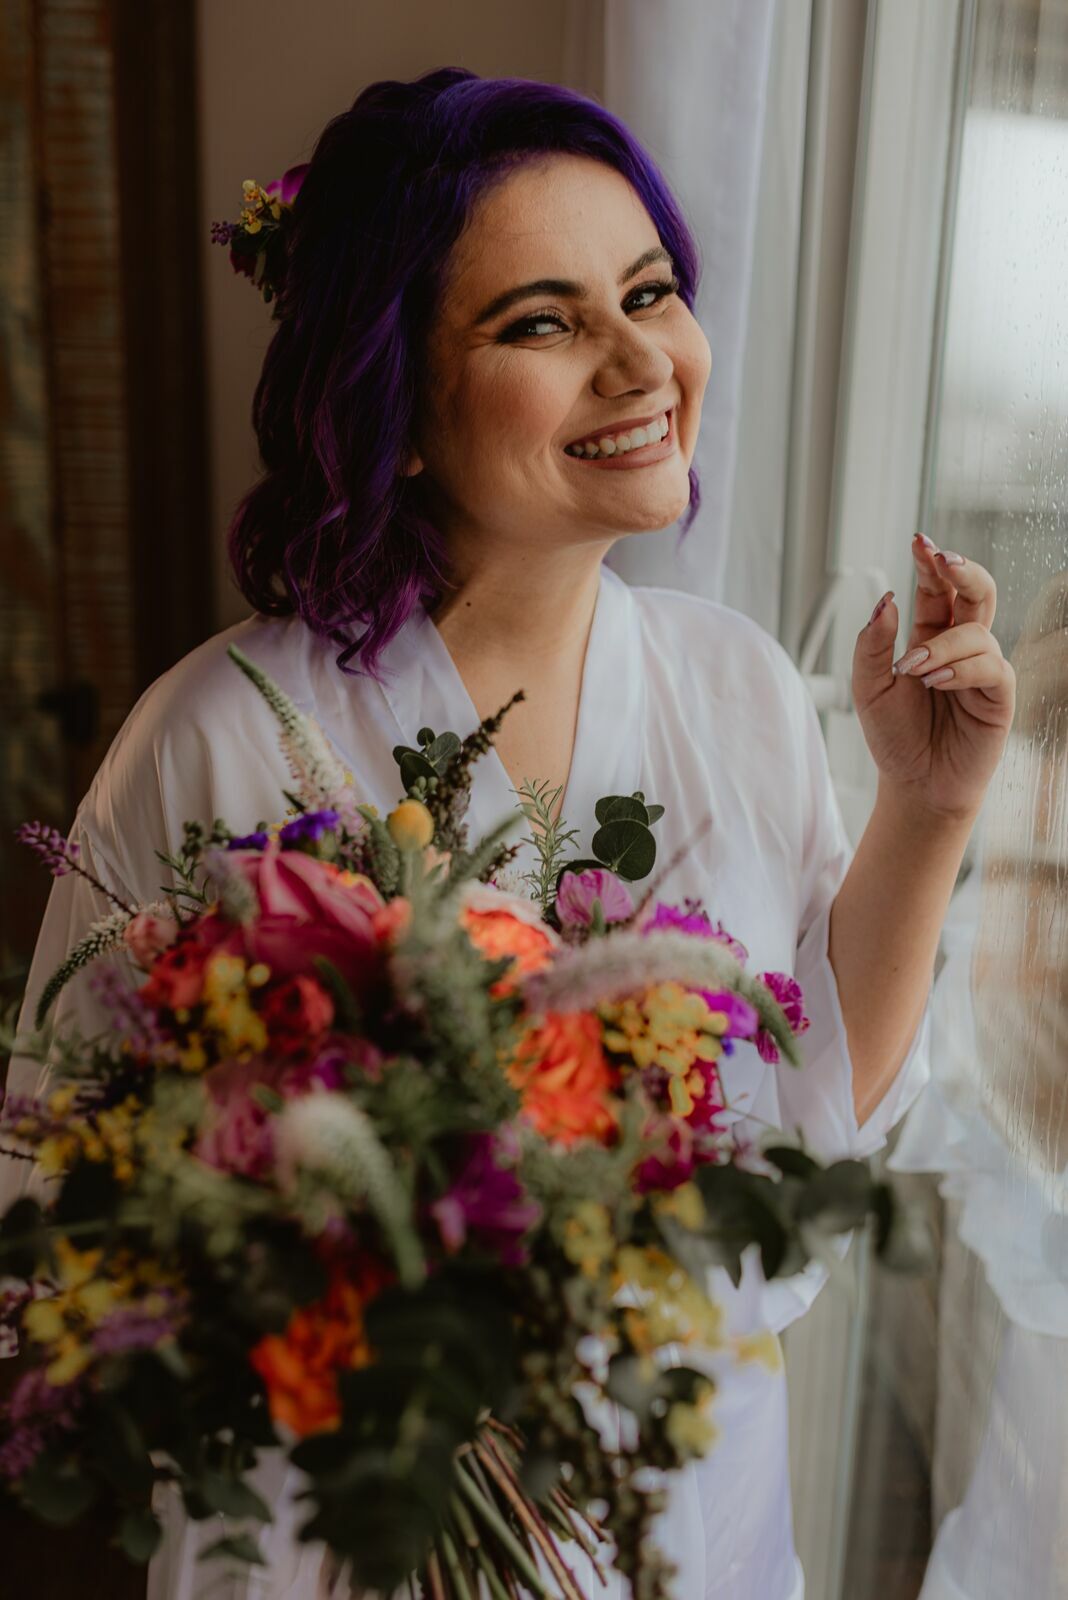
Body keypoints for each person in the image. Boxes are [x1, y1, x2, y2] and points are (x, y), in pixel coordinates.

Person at [2, 68, 1015, 1600]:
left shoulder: (735, 684)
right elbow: (57, 1215)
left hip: (691, 1518)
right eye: (542, 322)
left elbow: (808, 1134)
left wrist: (927, 809)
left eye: (652, 292)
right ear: (393, 402)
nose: (642, 363)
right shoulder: (210, 740)